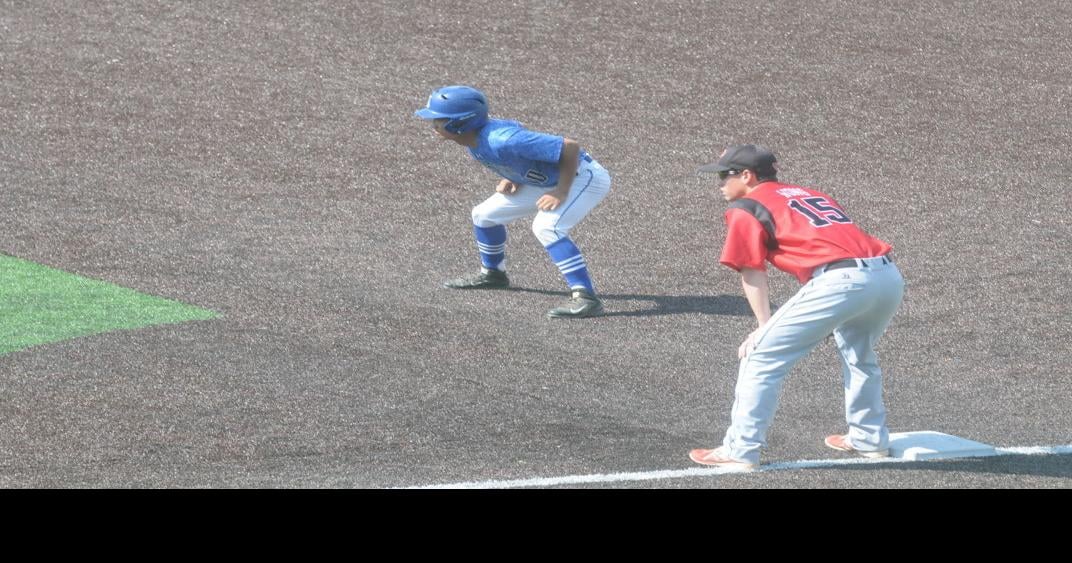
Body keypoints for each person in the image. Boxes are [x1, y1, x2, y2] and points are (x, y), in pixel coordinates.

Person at [689, 144, 904, 471]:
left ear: (746, 176)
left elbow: (751, 269)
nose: (719, 183)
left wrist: (763, 326)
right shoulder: (808, 193)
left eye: (724, 175)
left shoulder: (746, 207)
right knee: (859, 354)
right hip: (886, 275)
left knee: (760, 355)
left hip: (841, 281)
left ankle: (740, 449)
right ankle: (869, 439)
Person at [414, 85, 611, 318]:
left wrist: (560, 191)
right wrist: (513, 176)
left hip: (582, 177)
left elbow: (570, 147)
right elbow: (517, 143)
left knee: (547, 227)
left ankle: (586, 297)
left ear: (459, 124)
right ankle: (493, 274)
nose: (433, 125)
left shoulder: (502, 140)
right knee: (483, 215)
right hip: (544, 180)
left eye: (439, 120)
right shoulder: (473, 137)